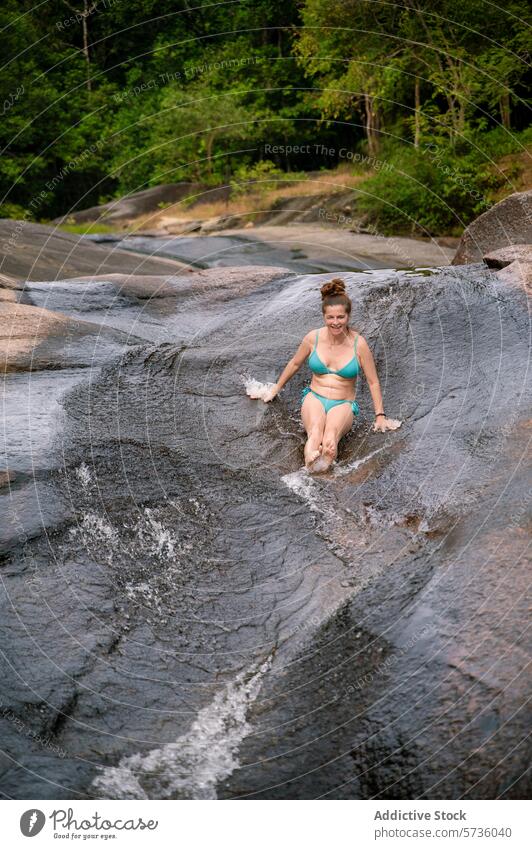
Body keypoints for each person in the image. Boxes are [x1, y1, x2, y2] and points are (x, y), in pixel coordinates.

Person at [263, 278, 400, 471]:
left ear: (348, 316)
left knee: (330, 437)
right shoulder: (313, 338)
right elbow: (294, 364)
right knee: (315, 433)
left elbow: (373, 382)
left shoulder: (358, 344)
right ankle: (311, 460)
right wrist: (274, 389)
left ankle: (325, 459)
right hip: (315, 397)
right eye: (330, 318)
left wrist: (380, 416)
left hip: (343, 403)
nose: (335, 323)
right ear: (324, 317)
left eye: (340, 317)